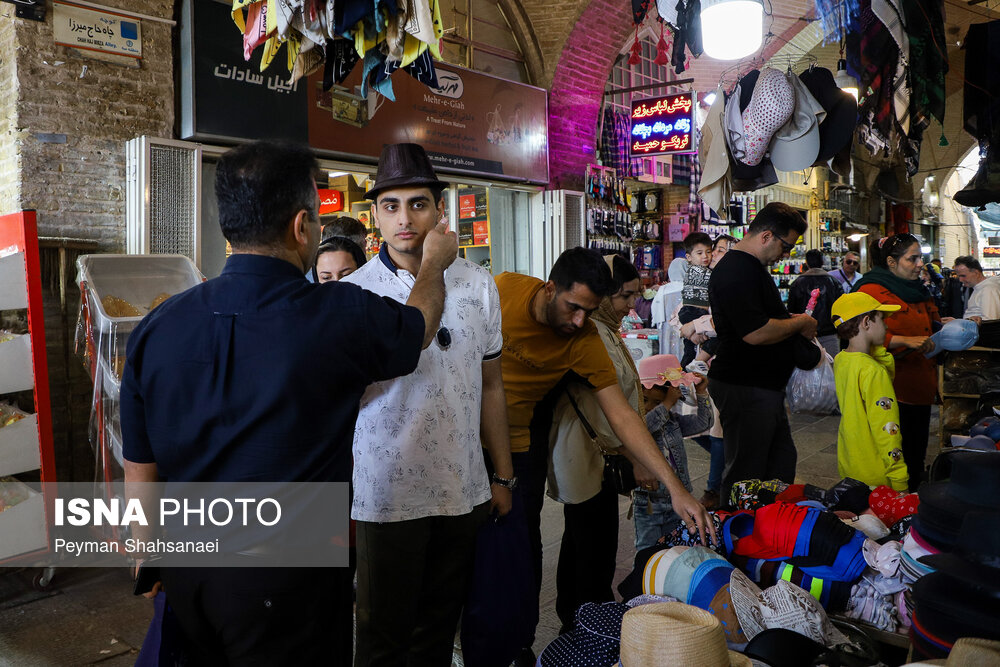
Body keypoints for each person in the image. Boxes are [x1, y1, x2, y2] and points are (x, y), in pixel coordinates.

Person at [120, 141, 455, 665]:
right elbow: (419, 328)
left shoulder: (157, 326)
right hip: (290, 577)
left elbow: (140, 465)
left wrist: (149, 556)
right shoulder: (339, 315)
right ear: (302, 225)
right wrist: (433, 264)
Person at [495, 247, 716, 663]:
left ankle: (518, 643)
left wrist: (676, 490)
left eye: (589, 311)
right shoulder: (503, 288)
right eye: (573, 307)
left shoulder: (586, 338)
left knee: (519, 542)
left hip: (519, 444)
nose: (579, 321)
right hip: (468, 436)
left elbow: (622, 416)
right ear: (549, 288)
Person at [342, 143, 514, 666]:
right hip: (385, 495)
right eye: (390, 206)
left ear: (440, 209)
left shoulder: (478, 284)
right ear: (375, 215)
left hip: (461, 490)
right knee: (381, 638)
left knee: (438, 633)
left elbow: (491, 385)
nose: (405, 218)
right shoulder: (354, 294)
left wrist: (502, 476)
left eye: (418, 203)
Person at [547, 254, 642, 633]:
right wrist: (635, 454)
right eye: (625, 297)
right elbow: (610, 409)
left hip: (599, 453)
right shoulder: (590, 334)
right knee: (589, 544)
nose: (631, 305)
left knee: (587, 540)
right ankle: (588, 622)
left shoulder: (602, 329)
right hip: (589, 453)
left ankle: (581, 615)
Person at [707, 202, 816, 506]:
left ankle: (767, 531)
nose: (787, 255)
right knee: (746, 473)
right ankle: (738, 538)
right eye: (786, 246)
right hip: (744, 385)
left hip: (760, 387)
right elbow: (754, 333)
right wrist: (801, 323)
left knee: (777, 465)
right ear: (767, 236)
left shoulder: (749, 268)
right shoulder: (737, 270)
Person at [855, 234, 940, 491]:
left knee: (916, 451)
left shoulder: (920, 290)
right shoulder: (870, 290)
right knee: (893, 451)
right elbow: (857, 333)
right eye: (911, 259)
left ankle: (911, 502)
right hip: (891, 388)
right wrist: (905, 340)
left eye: (920, 258)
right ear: (891, 262)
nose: (919, 264)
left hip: (921, 384)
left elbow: (930, 321)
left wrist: (944, 326)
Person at [633, 354, 712, 551]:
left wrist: (702, 394)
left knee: (676, 548)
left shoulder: (672, 421)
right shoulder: (636, 424)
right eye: (645, 400)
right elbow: (645, 429)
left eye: (657, 403)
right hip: (649, 503)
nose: (650, 407)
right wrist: (666, 404)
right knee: (647, 551)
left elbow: (704, 423)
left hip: (678, 498)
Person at [831, 293, 908, 491]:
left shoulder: (841, 359)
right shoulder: (873, 371)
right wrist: (899, 479)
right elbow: (887, 428)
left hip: (850, 464)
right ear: (866, 322)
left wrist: (877, 348)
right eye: (882, 319)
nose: (887, 326)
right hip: (879, 475)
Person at [787, 249, 844, 359]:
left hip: (804, 335)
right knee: (832, 369)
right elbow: (842, 309)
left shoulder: (797, 283)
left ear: (806, 263)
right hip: (830, 334)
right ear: (822, 262)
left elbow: (791, 311)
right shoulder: (834, 282)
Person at [678, 232, 714, 368]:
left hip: (688, 312)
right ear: (688, 257)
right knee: (715, 339)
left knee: (690, 347)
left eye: (708, 252)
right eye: (699, 253)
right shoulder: (702, 271)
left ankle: (686, 370)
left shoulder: (691, 269)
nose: (705, 256)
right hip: (694, 311)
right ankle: (698, 362)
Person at [953, 255, 1000, 323]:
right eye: (959, 276)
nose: (960, 280)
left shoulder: (988, 290)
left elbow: (990, 323)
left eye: (963, 276)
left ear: (976, 273)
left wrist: (958, 323)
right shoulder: (981, 288)